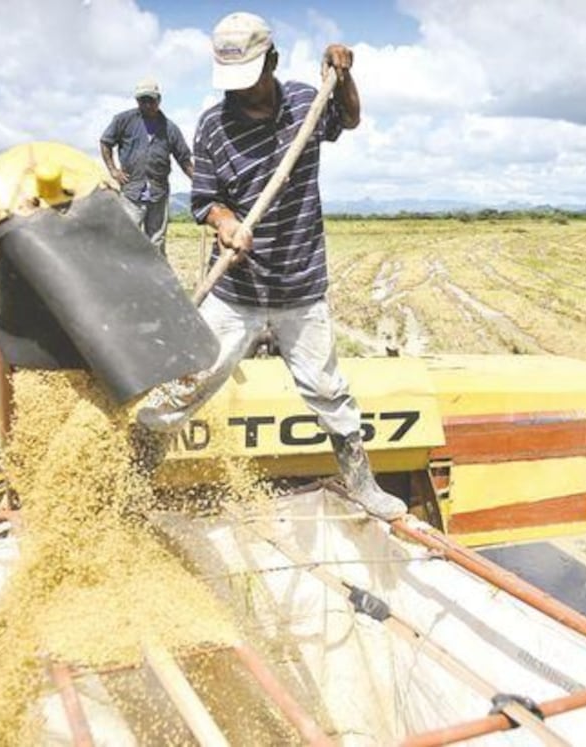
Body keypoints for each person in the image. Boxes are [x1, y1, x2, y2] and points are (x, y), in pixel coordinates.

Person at [136, 11, 406, 521]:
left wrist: (343, 78)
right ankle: (132, 480)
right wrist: (225, 222)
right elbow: (205, 198)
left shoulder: (307, 102)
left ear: (273, 62)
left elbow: (348, 119)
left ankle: (363, 483)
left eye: (251, 81)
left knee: (328, 391)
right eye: (232, 84)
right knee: (183, 387)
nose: (240, 94)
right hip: (235, 291)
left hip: (299, 286)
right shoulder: (213, 124)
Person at [99, 78, 194, 256]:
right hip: (132, 191)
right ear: (137, 101)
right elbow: (106, 142)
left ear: (159, 100)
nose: (147, 104)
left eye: (151, 100)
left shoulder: (170, 128)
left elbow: (184, 159)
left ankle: (155, 281)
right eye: (143, 100)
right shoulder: (123, 120)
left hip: (158, 192)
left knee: (156, 241)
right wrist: (113, 170)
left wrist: (199, 183)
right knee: (127, 238)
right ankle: (127, 279)